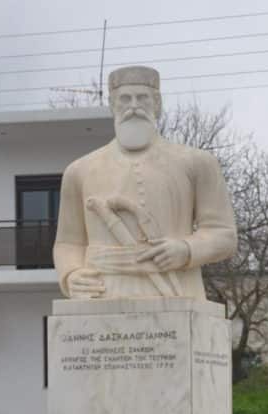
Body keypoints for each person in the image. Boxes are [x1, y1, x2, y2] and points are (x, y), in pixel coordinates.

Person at [53, 65, 237, 300]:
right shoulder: (79, 171)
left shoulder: (198, 163)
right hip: (102, 293)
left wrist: (187, 250)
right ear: (112, 105)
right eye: (124, 100)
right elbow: (68, 242)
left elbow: (224, 234)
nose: (133, 107)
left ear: (157, 104)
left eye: (142, 98)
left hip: (175, 290)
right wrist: (71, 275)